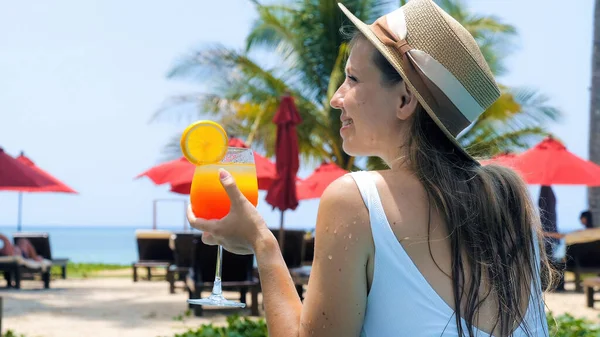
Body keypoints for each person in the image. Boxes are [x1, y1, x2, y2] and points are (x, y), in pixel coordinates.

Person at [188, 0, 552, 336]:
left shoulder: (356, 200)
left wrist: (261, 243)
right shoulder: (508, 198)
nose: (336, 98)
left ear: (405, 99)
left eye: (353, 79)